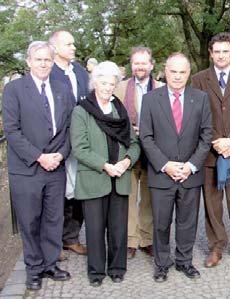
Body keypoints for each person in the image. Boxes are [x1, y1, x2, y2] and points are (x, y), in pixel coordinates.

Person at [2, 41, 73, 290]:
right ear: (29, 62)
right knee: (30, 220)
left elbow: (68, 127)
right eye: (39, 59)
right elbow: (12, 130)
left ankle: (50, 264)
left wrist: (61, 155)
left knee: (54, 218)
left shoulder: (62, 88)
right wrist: (39, 156)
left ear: (53, 63)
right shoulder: (13, 90)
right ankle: (33, 268)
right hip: (28, 168)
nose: (44, 64)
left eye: (48, 60)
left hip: (56, 166)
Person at [140, 53, 212, 282]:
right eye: (173, 71)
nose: (178, 76)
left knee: (188, 222)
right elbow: (146, 137)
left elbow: (206, 135)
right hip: (162, 174)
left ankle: (184, 261)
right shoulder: (151, 99)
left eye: (182, 72)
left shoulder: (200, 98)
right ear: (165, 71)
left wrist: (191, 166)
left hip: (190, 174)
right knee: (161, 223)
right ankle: (162, 264)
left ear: (188, 73)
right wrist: (165, 165)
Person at [70, 61, 140, 287]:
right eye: (103, 82)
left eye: (112, 83)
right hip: (95, 178)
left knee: (118, 228)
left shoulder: (120, 110)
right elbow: (79, 148)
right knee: (95, 228)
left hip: (119, 178)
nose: (107, 87)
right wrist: (105, 165)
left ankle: (117, 268)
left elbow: (134, 143)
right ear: (94, 82)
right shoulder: (82, 111)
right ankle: (96, 272)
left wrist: (127, 161)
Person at [192, 33, 230, 270]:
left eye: (225, 51)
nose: (220, 55)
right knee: (212, 205)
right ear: (211, 53)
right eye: (216, 51)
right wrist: (218, 141)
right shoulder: (198, 80)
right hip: (210, 153)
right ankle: (216, 246)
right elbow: (198, 114)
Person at [114, 46, 164, 259]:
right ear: (131, 65)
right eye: (136, 63)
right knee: (129, 195)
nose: (140, 67)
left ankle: (146, 238)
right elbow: (112, 118)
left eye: (144, 63)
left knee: (150, 197)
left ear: (151, 65)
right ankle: (131, 239)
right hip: (128, 150)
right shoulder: (120, 88)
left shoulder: (162, 87)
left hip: (154, 149)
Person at [49, 29, 90, 257]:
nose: (74, 48)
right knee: (57, 194)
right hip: (57, 144)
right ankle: (53, 242)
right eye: (69, 44)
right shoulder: (49, 73)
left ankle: (71, 237)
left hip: (81, 142)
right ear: (55, 48)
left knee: (79, 192)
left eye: (74, 44)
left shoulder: (80, 72)